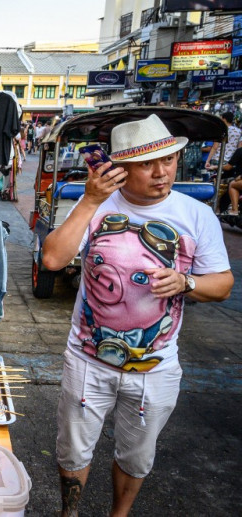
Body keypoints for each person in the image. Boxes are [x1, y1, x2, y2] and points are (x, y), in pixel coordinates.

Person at [41, 114, 233, 516]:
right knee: (73, 448)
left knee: (137, 456)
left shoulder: (196, 216)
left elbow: (223, 284)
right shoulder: (94, 204)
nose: (162, 172)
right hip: (87, 359)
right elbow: (54, 258)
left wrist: (187, 282)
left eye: (169, 160)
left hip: (154, 368)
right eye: (148, 164)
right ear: (120, 168)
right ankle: (68, 513)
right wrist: (91, 200)